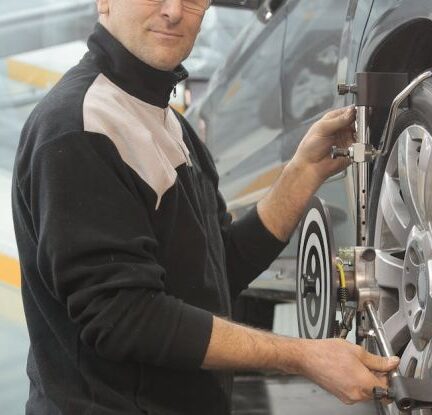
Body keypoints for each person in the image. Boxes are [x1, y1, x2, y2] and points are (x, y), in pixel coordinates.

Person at [12, 0, 400, 414]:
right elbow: (123, 317)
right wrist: (302, 355)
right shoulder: (78, 127)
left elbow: (217, 271)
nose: (174, 11)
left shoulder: (170, 125)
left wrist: (302, 171)